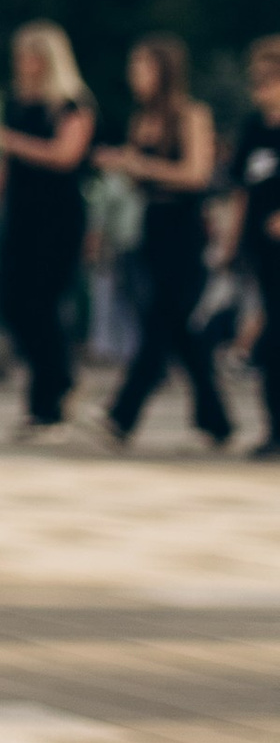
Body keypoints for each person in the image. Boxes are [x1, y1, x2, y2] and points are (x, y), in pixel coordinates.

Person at [94, 33, 231, 452]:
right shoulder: (142, 120)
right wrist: (123, 166)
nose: (135, 76)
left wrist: (142, 165)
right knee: (179, 329)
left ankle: (122, 414)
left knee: (161, 319)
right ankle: (216, 420)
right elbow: (141, 177)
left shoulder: (191, 115)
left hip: (184, 226)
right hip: (151, 223)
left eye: (143, 66)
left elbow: (196, 175)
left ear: (164, 71)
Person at [0, 21, 93, 442]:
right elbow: (4, 164)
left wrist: (9, 140)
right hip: (21, 215)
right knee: (12, 302)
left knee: (44, 304)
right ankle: (54, 383)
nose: (22, 64)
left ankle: (50, 400)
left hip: (57, 217)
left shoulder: (72, 105)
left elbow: (65, 156)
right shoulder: (17, 104)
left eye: (29, 55)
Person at [220, 35, 280, 459]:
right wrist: (231, 239)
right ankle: (274, 427)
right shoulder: (254, 128)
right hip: (264, 249)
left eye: (270, 78)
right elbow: (241, 187)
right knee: (274, 335)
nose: (261, 88)